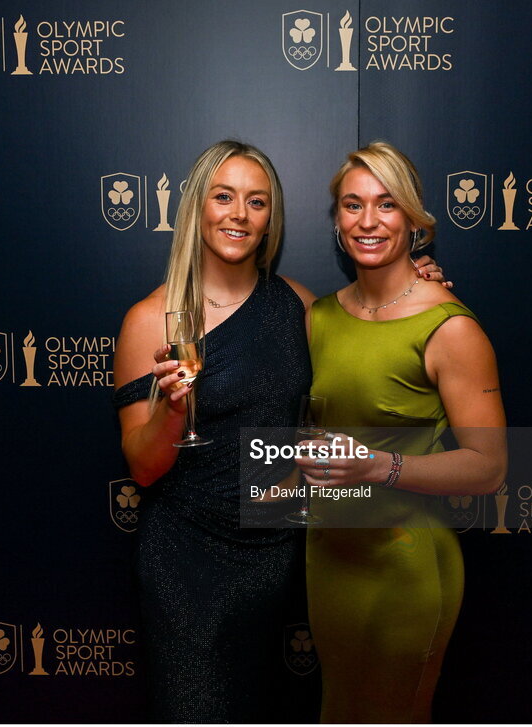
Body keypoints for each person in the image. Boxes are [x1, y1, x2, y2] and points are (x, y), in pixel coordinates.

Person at [112, 140, 447, 722]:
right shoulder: (150, 319)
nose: (239, 214)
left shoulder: (296, 304)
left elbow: (362, 337)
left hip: (279, 555)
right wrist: (169, 410)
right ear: (197, 207)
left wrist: (410, 285)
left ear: (271, 220)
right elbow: (142, 469)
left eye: (257, 201)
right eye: (224, 197)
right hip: (189, 561)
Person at [297, 141, 507, 723]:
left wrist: (378, 468)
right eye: (352, 204)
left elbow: (488, 468)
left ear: (414, 220)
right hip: (329, 558)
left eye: (386, 205)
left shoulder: (451, 327)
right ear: (336, 221)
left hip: (406, 563)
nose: (368, 221)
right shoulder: (319, 318)